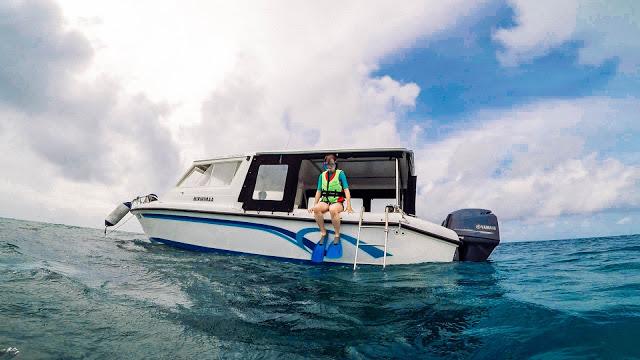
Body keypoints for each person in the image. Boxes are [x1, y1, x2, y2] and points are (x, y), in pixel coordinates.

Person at [308, 154, 354, 246]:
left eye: (332, 164)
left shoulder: (341, 174)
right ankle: (323, 232)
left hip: (337, 202)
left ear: (335, 164)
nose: (329, 167)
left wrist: (349, 206)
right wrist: (314, 205)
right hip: (325, 201)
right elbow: (319, 191)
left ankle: (337, 234)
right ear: (325, 165)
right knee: (316, 209)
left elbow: (346, 190)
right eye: (327, 165)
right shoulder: (322, 175)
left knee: (333, 209)